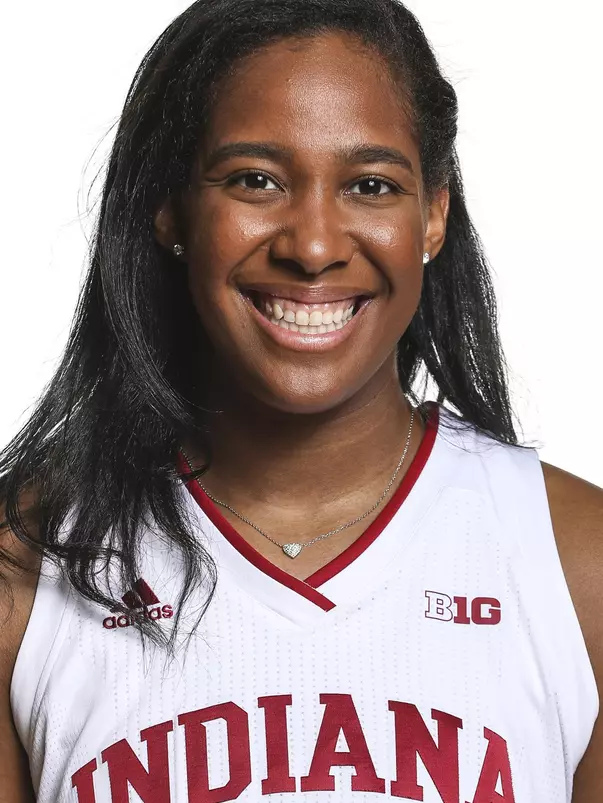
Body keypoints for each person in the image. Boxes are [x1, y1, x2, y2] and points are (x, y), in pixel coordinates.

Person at [1, 0, 602, 800]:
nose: (313, 246)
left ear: (431, 215)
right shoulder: (23, 568)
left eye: (369, 184)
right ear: (170, 206)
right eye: (255, 179)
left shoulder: (577, 566)